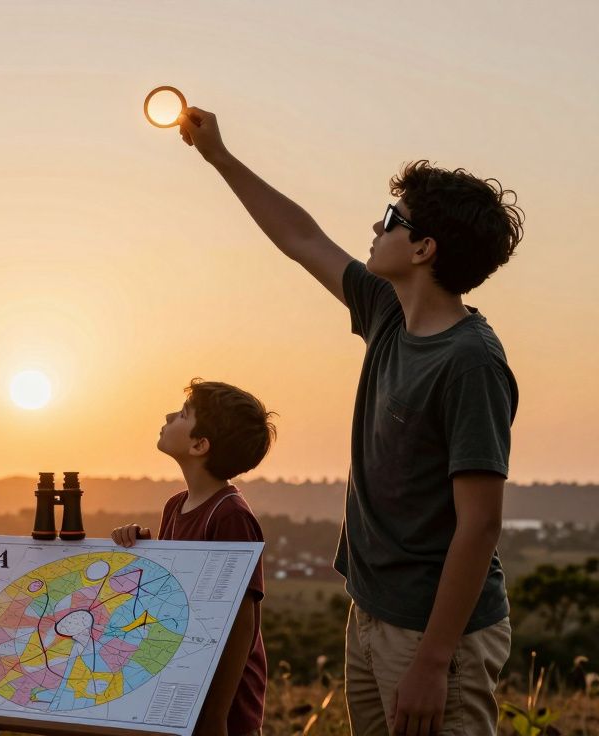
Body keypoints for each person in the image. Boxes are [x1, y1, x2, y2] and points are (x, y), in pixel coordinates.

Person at [176, 106, 522, 736]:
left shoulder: (470, 361)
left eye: (391, 220)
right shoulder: (388, 311)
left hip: (433, 635)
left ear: (423, 248)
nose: (374, 224)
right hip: (371, 613)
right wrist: (220, 158)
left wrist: (433, 660)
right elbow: (302, 238)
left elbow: (481, 525)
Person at [114, 379, 275, 736]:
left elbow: (242, 625)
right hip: (186, 677)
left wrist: (217, 714)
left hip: (223, 692)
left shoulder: (230, 515)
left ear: (200, 445)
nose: (170, 415)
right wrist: (145, 552)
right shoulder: (175, 505)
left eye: (184, 414)